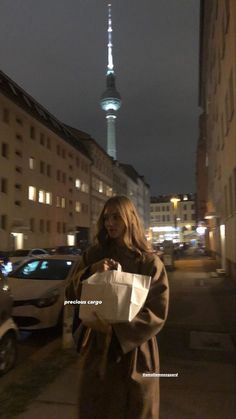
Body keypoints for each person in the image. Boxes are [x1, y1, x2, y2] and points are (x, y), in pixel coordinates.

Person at [65, 195, 169, 419]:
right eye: (106, 218)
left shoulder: (149, 263)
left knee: (134, 407)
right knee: (98, 408)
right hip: (99, 350)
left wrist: (117, 330)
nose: (109, 223)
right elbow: (71, 294)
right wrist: (92, 271)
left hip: (136, 352)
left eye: (116, 217)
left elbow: (157, 312)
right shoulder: (94, 255)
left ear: (129, 219)